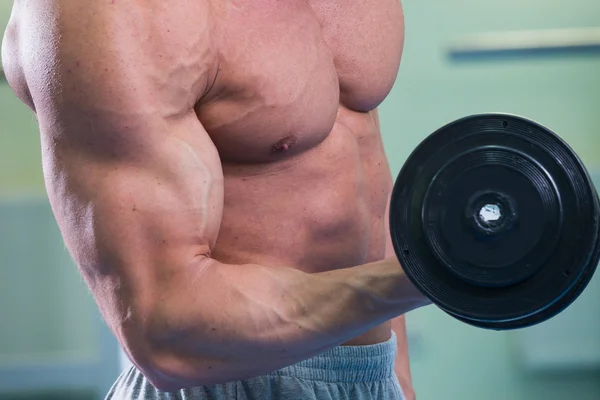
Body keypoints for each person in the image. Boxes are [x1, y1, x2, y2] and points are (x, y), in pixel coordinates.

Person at [2, 0, 431, 399]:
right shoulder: (104, 12)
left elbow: (361, 166)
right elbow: (166, 332)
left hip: (371, 375)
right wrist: (431, 275)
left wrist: (396, 380)